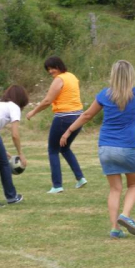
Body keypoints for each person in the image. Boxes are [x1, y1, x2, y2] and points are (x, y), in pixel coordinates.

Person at [60, 56, 135, 238]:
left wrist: (68, 131)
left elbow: (86, 115)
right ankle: (125, 215)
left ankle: (114, 229)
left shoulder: (104, 95)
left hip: (106, 148)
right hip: (128, 147)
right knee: (134, 185)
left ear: (113, 76)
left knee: (114, 189)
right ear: (130, 76)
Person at [26, 56, 87, 193]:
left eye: (52, 68)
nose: (50, 71)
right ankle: (80, 178)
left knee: (53, 150)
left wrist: (33, 112)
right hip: (78, 117)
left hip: (63, 118)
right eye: (48, 69)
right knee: (64, 149)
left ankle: (57, 185)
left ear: (59, 66)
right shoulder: (72, 77)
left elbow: (48, 100)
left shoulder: (59, 79)